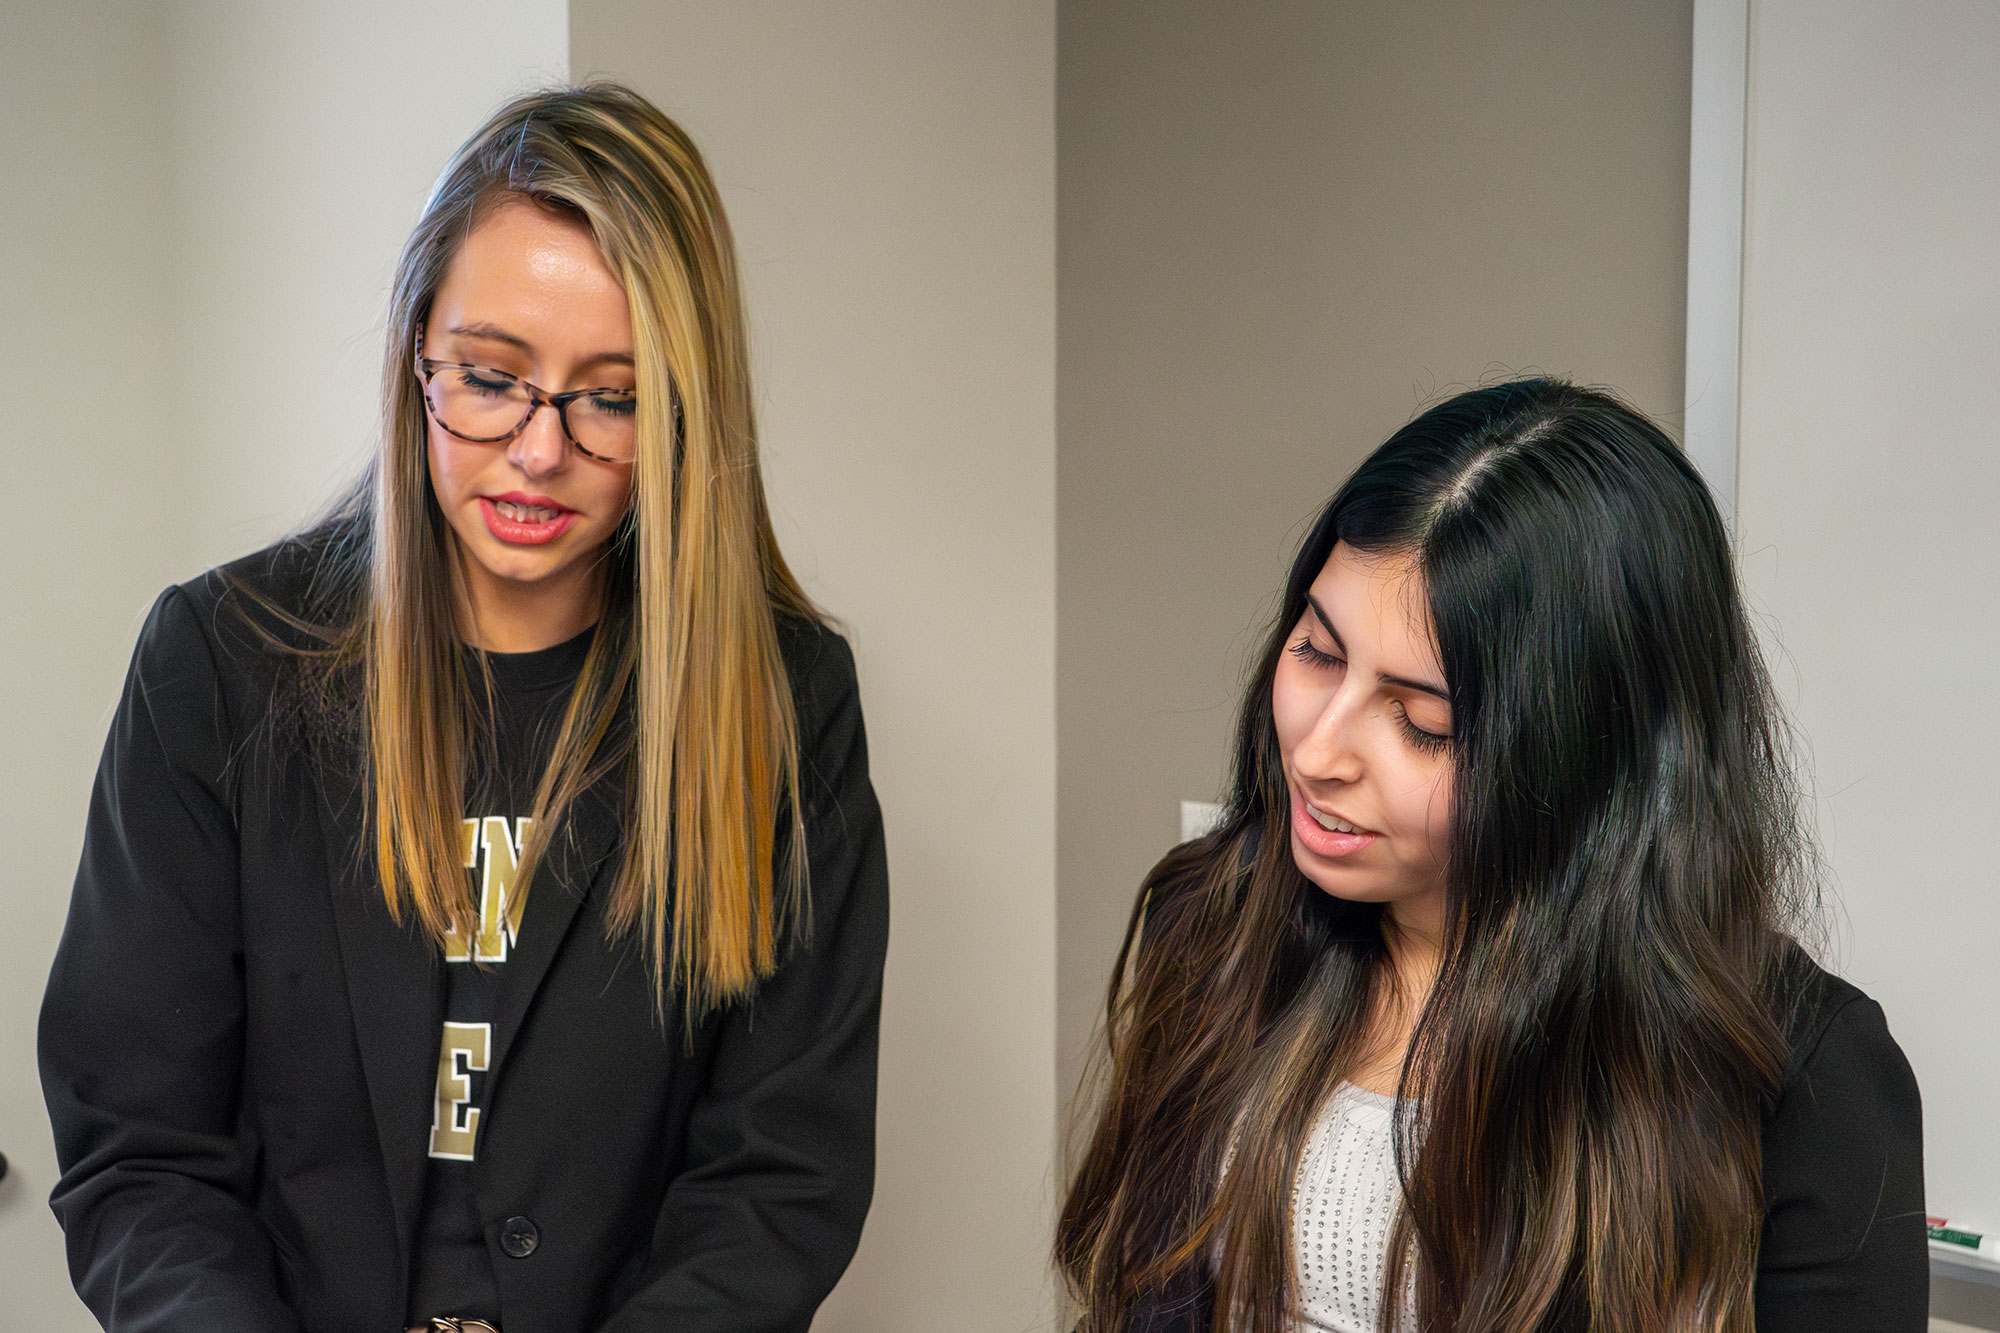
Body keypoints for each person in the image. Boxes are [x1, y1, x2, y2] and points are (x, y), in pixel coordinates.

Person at [39, 83, 888, 1333]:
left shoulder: (784, 701)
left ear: (684, 412)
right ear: (415, 355)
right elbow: (142, 1156)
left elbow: (779, 1179)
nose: (540, 451)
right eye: (490, 378)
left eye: (613, 397)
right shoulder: (218, 662)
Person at [1056, 379, 1925, 1332]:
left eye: (1423, 723)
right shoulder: (1218, 918)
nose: (1317, 753)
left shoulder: (1806, 1076)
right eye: (1317, 651)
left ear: (1592, 758)